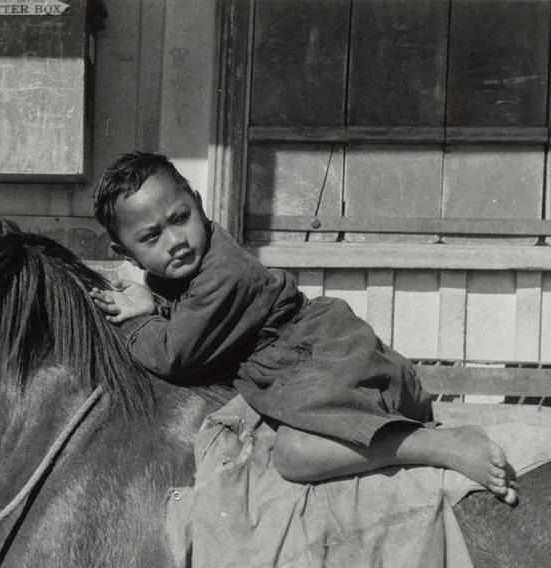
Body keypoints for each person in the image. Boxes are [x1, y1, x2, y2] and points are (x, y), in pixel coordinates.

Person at [90, 152, 518, 504]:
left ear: (199, 205)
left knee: (294, 456)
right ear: (124, 252)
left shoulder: (226, 274)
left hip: (317, 354)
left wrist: (140, 319)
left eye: (180, 217)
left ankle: (443, 446)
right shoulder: (183, 274)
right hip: (301, 360)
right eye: (151, 237)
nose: (175, 240)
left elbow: (173, 355)